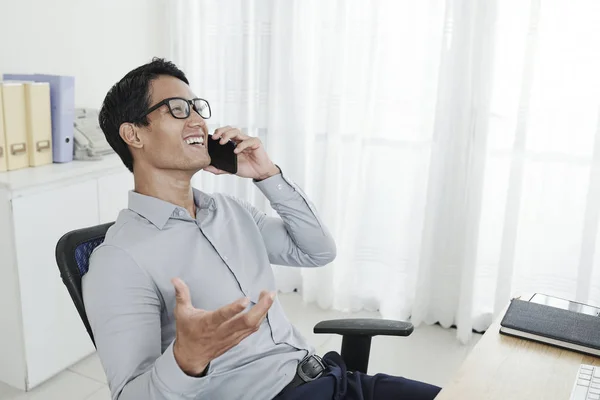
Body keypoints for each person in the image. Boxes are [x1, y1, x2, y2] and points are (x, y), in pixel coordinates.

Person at [83, 57, 441, 400]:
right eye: (178, 109)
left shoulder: (230, 211)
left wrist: (267, 175)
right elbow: (131, 394)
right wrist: (186, 360)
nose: (198, 122)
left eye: (197, 109)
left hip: (331, 379)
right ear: (133, 134)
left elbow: (317, 251)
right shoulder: (118, 260)